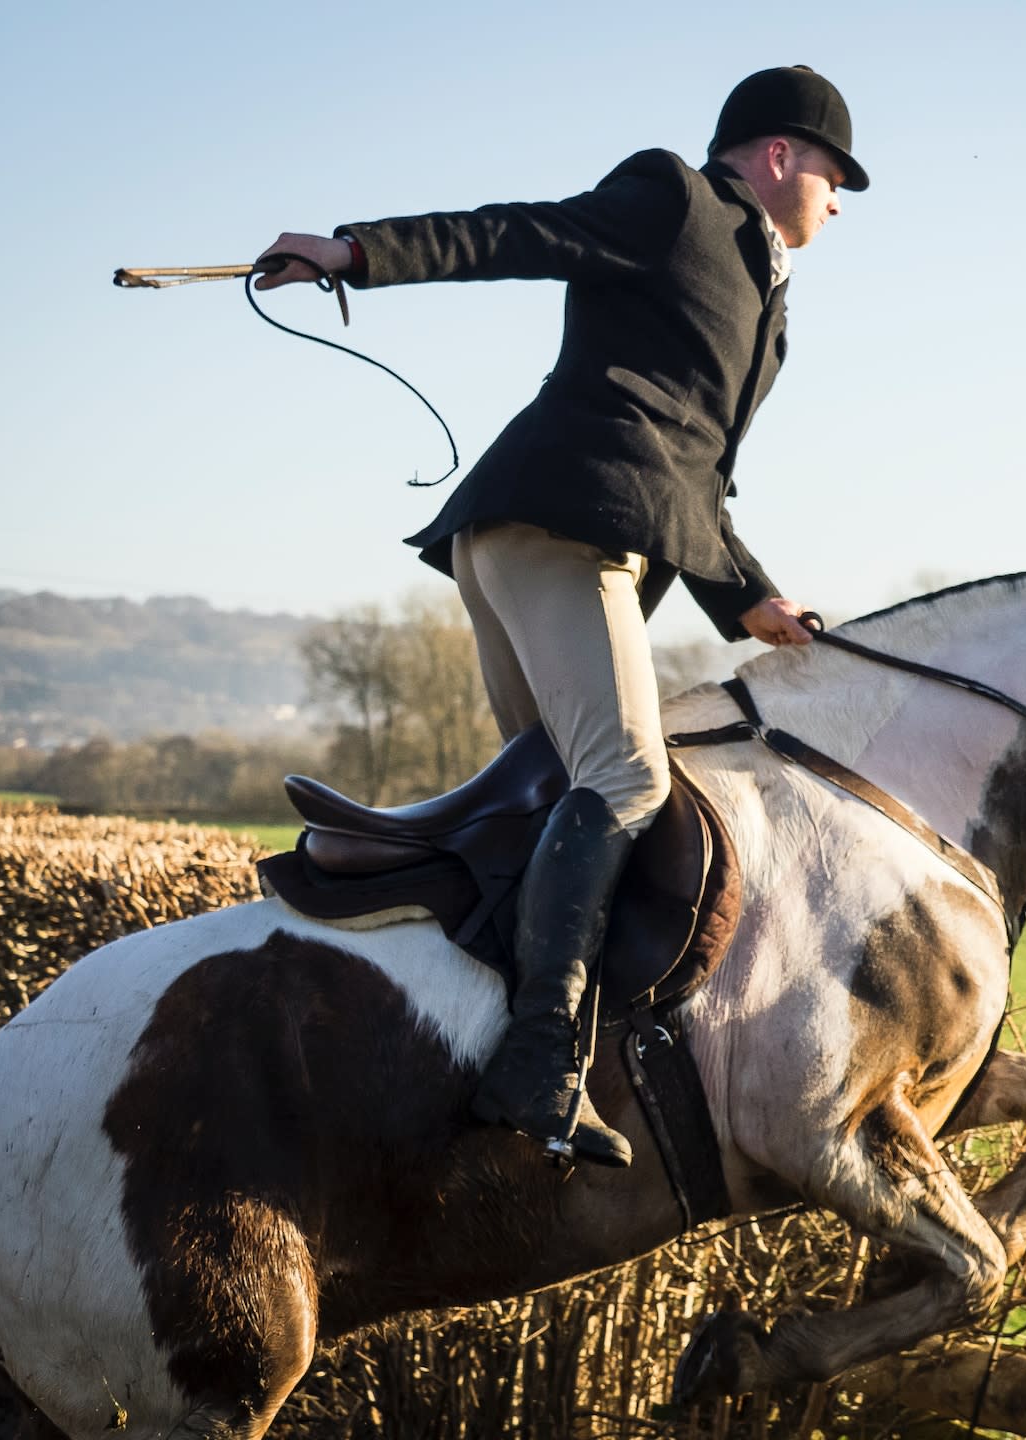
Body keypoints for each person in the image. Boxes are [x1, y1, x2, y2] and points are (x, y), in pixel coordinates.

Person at [257, 66, 868, 1168]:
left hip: (554, 533)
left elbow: (692, 476)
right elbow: (517, 232)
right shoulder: (676, 197)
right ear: (780, 155)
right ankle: (542, 1063)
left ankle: (448, 1033)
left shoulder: (764, 298)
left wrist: (751, 596)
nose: (841, 197)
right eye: (837, 173)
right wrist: (354, 253)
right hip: (560, 530)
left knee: (554, 786)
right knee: (626, 780)